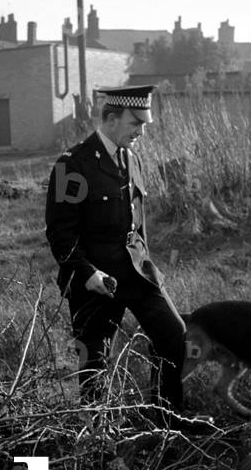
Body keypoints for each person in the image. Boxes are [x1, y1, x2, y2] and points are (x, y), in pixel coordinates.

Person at [45, 85, 193, 423]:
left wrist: (148, 263)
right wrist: (86, 274)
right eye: (135, 124)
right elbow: (60, 233)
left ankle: (165, 417)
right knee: (95, 360)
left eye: (143, 125)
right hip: (97, 279)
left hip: (137, 271)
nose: (141, 132)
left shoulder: (132, 158)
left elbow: (138, 225)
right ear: (111, 118)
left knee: (174, 334)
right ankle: (97, 430)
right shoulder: (74, 164)